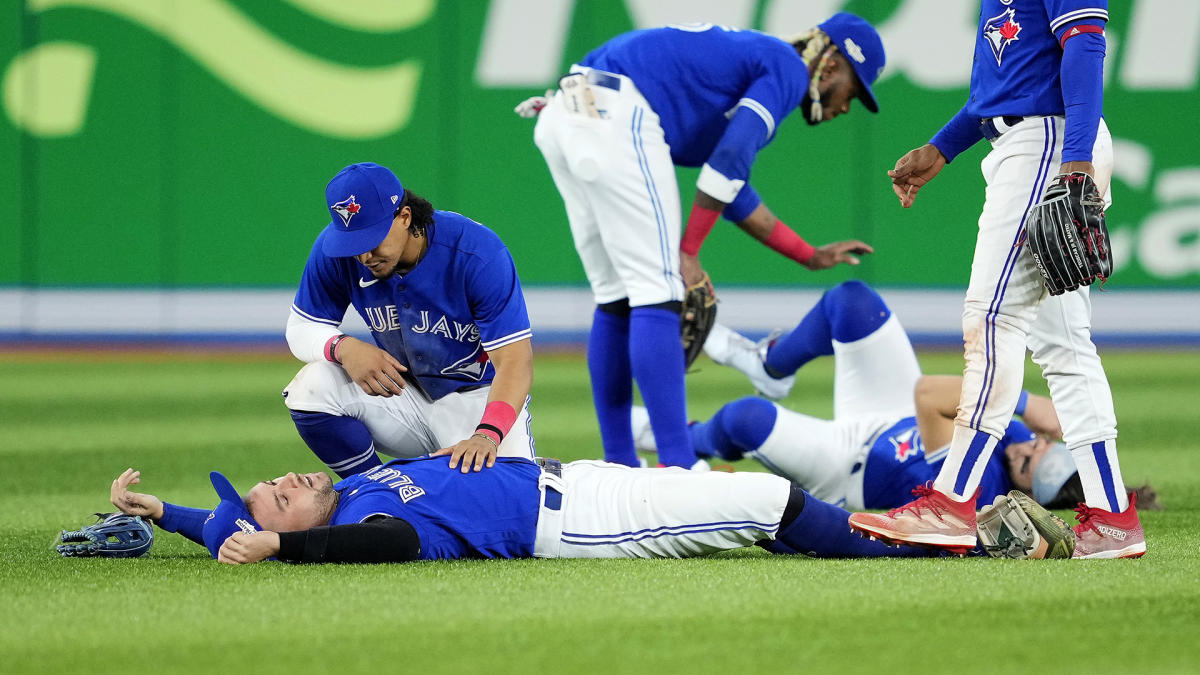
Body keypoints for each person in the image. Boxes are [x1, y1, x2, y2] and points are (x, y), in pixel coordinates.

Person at [850, 1, 1145, 559]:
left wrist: (1075, 162)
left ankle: (951, 503)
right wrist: (943, 147)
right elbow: (1008, 85)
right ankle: (1111, 517)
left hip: (1048, 147)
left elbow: (1084, 43)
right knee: (1064, 346)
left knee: (993, 320)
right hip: (1028, 141)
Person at [528, 14, 882, 470]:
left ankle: (619, 462)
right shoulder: (789, 69)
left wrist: (806, 254)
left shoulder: (757, 61)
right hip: (615, 111)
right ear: (831, 65)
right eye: (855, 90)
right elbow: (729, 162)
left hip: (567, 110)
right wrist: (688, 252)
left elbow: (730, 185)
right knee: (660, 294)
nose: (848, 106)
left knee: (615, 298)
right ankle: (678, 465)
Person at [651, 281, 1158, 514]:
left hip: (847, 467)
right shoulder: (1022, 449)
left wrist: (1025, 402)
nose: (1029, 449)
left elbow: (929, 393)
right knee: (852, 302)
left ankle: (679, 443)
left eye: (1030, 466)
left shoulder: (982, 492)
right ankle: (771, 364)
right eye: (1042, 451)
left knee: (746, 419)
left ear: (1025, 496)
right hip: (891, 413)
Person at [105, 460, 945, 566]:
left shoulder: (356, 486)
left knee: (753, 493)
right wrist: (280, 552)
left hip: (580, 476)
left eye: (274, 478)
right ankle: (939, 552)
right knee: (766, 498)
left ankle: (902, 525)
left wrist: (169, 510)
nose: (288, 477)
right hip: (575, 520)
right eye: (279, 498)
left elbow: (226, 522)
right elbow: (395, 544)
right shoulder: (366, 526)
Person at [283, 162, 535, 478]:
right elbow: (300, 327)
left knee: (512, 507)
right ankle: (381, 496)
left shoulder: (476, 253)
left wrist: (487, 434)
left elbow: (516, 362)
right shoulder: (337, 252)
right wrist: (344, 348)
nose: (363, 256)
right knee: (312, 387)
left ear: (404, 217)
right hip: (402, 396)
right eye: (353, 244)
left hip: (477, 401)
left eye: (371, 240)